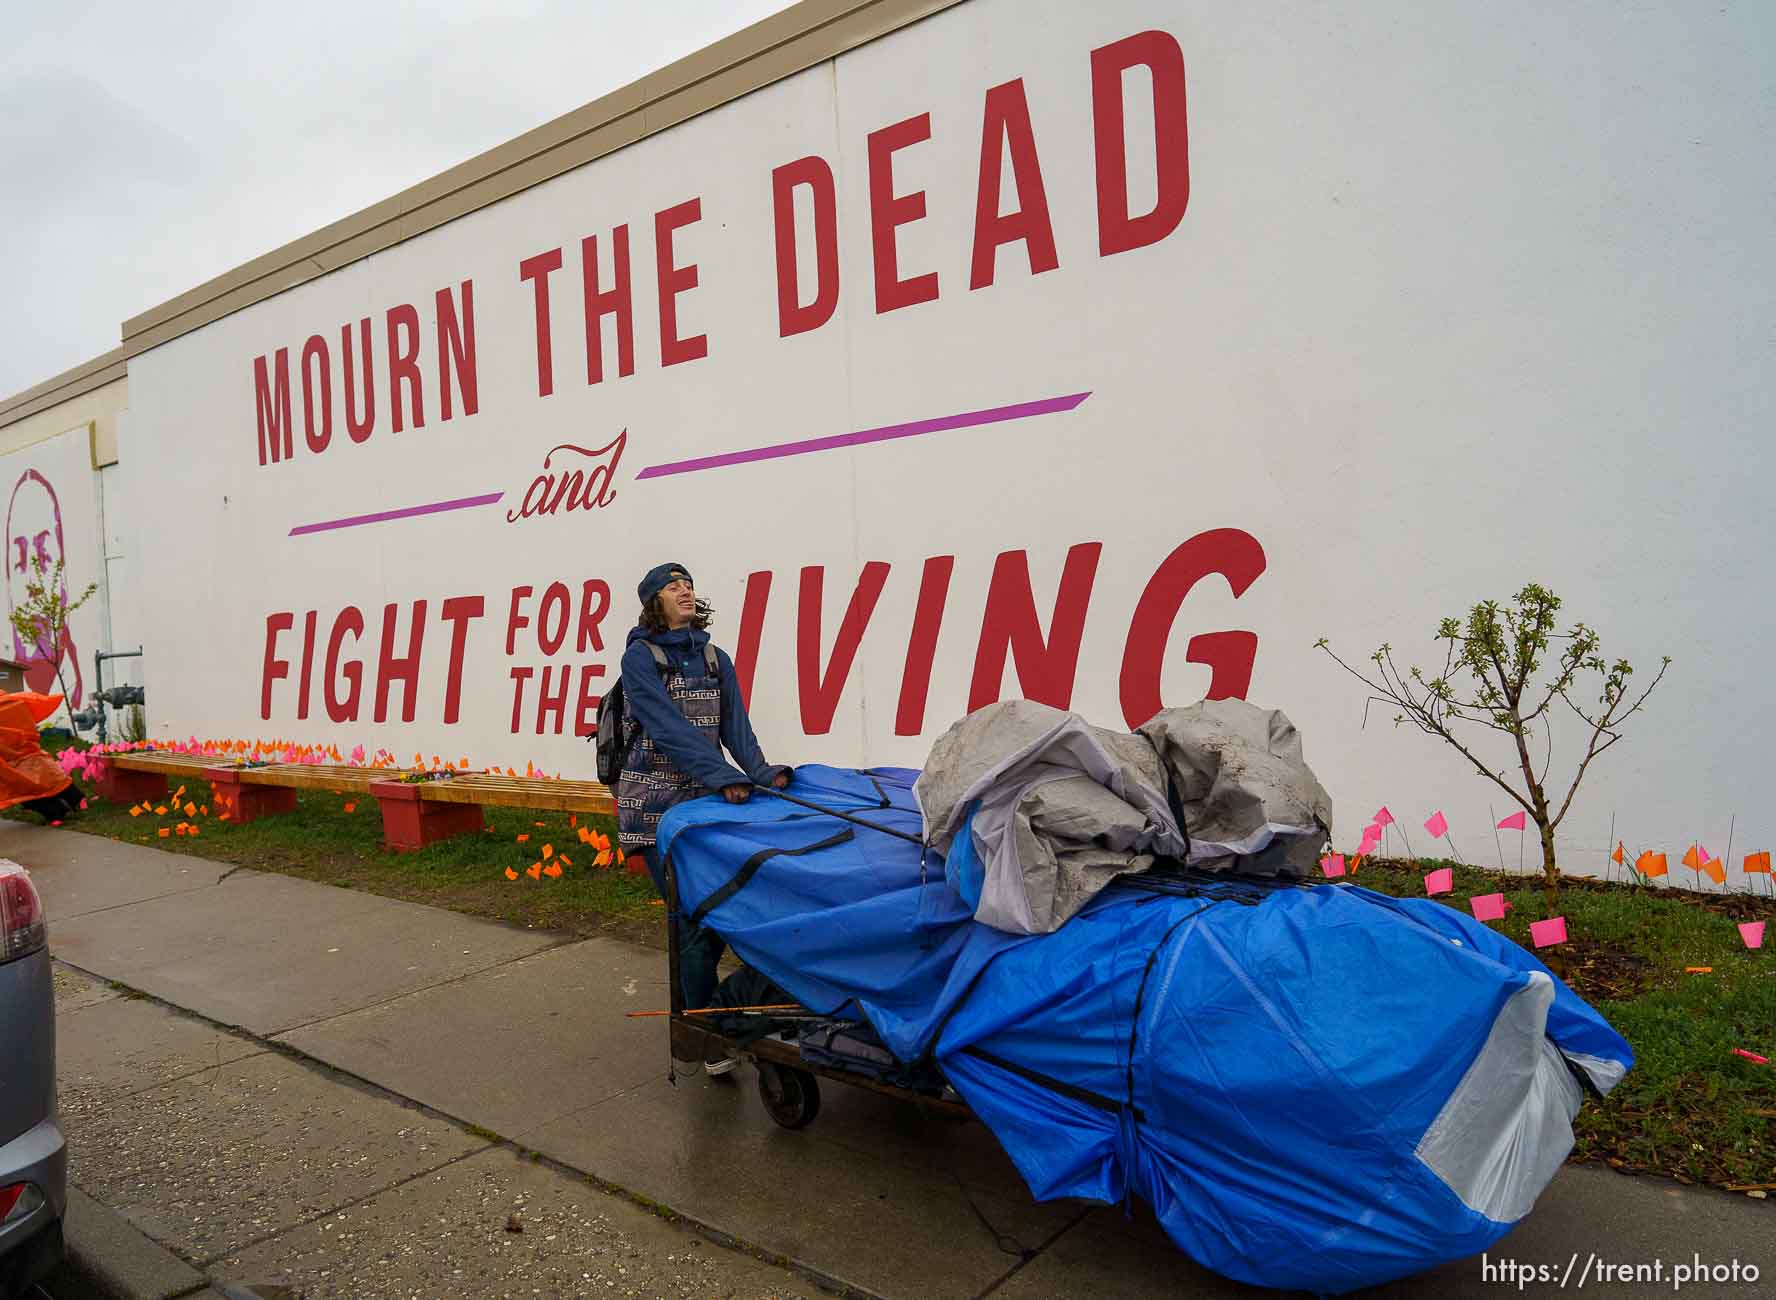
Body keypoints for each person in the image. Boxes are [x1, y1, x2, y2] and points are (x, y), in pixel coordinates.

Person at [616, 562, 790, 1075]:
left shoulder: (716, 658)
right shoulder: (639, 660)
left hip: (704, 807)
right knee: (693, 923)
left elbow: (736, 725)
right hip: (653, 813)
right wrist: (721, 776)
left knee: (721, 913)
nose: (684, 591)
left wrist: (761, 773)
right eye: (672, 587)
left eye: (688, 585)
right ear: (654, 602)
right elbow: (668, 730)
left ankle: (712, 1020)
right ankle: (708, 1040)